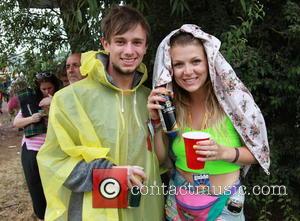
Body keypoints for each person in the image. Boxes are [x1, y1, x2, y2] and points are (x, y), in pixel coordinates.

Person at [37, 5, 164, 221]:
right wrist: (110, 173)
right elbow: (54, 162)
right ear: (106, 44)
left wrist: (159, 125)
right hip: (93, 213)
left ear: (145, 47)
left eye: (137, 42)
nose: (129, 51)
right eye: (120, 41)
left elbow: (160, 161)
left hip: (145, 210)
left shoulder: (149, 98)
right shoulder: (70, 99)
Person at [147, 24, 270, 221]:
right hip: (179, 200)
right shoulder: (171, 106)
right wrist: (156, 122)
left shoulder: (234, 103)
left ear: (209, 63)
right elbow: (161, 158)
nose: (187, 71)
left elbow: (259, 153)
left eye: (196, 61)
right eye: (178, 64)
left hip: (224, 203)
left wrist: (224, 152)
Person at [13, 72, 60, 221]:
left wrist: (53, 103)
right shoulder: (31, 103)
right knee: (35, 185)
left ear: (55, 87)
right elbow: (16, 123)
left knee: (54, 186)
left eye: (50, 88)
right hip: (32, 149)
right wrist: (31, 118)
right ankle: (41, 216)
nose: (47, 91)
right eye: (43, 89)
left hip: (53, 150)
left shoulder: (61, 99)